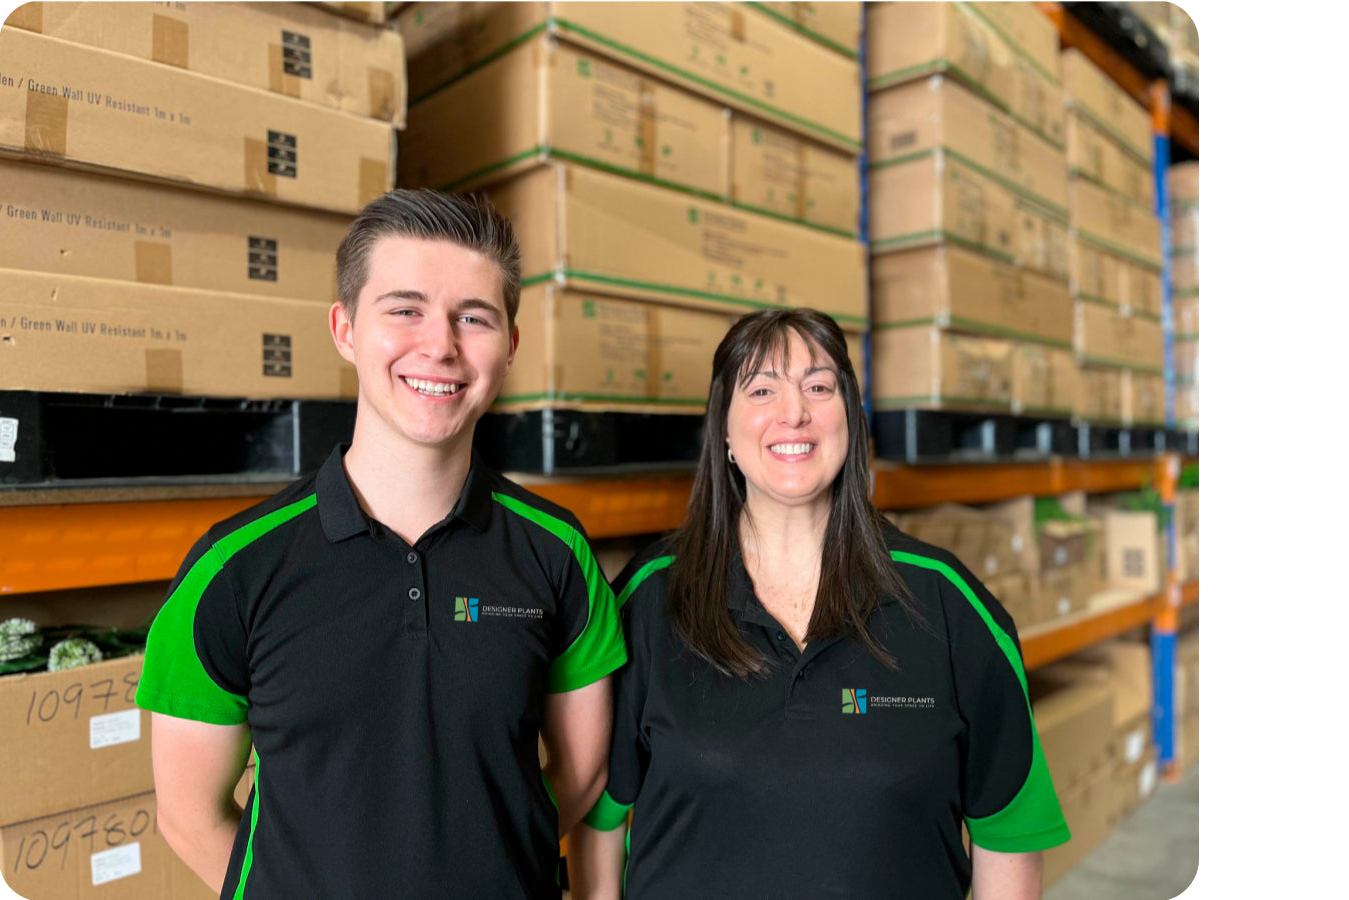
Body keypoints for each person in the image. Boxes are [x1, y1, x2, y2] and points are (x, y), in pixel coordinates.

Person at [136, 190, 625, 899]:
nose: (440, 345)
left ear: (510, 346)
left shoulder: (557, 554)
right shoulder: (233, 569)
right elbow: (187, 815)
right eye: (405, 309)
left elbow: (582, 775)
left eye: (474, 317)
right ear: (345, 328)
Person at [566, 308, 1069, 899]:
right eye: (761, 389)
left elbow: (1009, 832)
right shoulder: (651, 598)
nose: (794, 412)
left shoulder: (947, 602)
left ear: (850, 420)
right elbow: (597, 823)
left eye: (819, 387)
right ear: (723, 430)